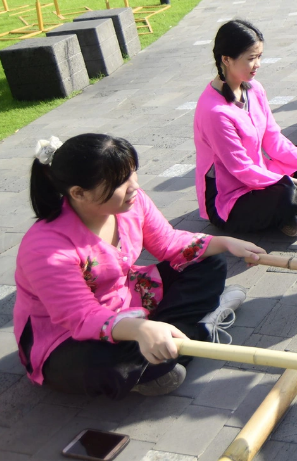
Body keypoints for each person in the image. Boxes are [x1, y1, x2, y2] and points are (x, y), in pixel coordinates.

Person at [14, 133, 265, 399]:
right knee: (101, 367)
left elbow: (169, 243)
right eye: (120, 181)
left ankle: (165, 347)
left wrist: (224, 242)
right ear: (78, 193)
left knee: (208, 261)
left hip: (129, 300)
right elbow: (82, 316)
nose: (133, 186)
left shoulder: (133, 202)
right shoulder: (46, 248)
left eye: (132, 174)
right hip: (67, 337)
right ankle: (188, 333)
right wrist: (140, 330)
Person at [194, 20, 297, 236]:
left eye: (259, 56)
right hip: (231, 197)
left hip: (262, 174)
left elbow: (275, 141)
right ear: (226, 59)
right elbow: (242, 170)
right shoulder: (214, 111)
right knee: (290, 194)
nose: (258, 64)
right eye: (251, 58)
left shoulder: (254, 88)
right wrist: (295, 182)